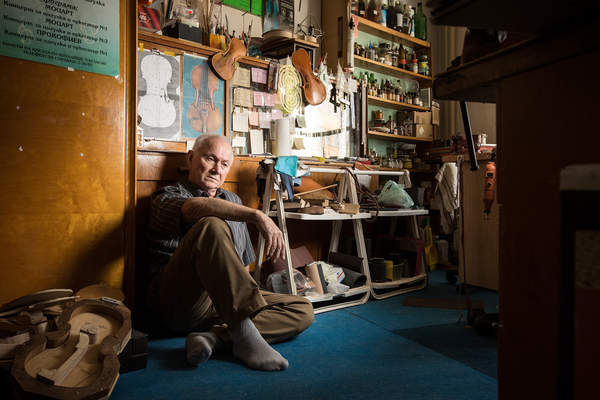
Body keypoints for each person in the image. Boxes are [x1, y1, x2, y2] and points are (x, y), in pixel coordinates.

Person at [146, 134, 314, 371]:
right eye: (210, 159)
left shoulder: (233, 200)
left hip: (222, 305)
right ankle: (243, 334)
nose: (217, 169)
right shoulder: (167, 196)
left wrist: (243, 306)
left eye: (224, 164)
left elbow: (243, 267)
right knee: (212, 224)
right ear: (191, 158)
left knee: (302, 310)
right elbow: (195, 208)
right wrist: (257, 215)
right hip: (180, 305)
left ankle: (215, 339)